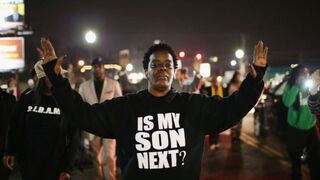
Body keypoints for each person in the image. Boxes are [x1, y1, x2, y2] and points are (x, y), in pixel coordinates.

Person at [40, 38, 267, 179]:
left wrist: (254, 82)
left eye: (167, 65)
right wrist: (57, 80)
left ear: (174, 71)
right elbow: (84, 115)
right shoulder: (127, 107)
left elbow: (232, 108)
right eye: (155, 65)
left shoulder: (193, 105)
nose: (161, 69)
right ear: (146, 71)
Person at [3, 61, 81, 180]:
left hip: (56, 168)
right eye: (53, 74)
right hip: (29, 167)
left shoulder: (67, 99)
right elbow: (14, 126)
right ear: (41, 77)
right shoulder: (27, 98)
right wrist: (10, 151)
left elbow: (74, 137)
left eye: (58, 74)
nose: (57, 78)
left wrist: (67, 168)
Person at [78, 57, 122, 180]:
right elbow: (81, 107)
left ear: (103, 68)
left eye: (99, 66)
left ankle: (110, 178)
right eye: (94, 67)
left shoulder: (114, 84)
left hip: (110, 126)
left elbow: (121, 104)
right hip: (93, 126)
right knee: (95, 157)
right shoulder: (84, 86)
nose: (97, 69)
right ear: (91, 69)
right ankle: (98, 178)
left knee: (109, 156)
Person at [282, 65, 320, 180]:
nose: (306, 75)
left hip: (310, 128)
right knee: (296, 162)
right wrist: (296, 86)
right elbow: (287, 102)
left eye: (307, 73)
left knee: (316, 159)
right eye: (303, 73)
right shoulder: (290, 87)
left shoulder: (312, 87)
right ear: (296, 75)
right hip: (295, 130)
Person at [0, 81, 16, 180]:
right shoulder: (9, 98)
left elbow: (13, 125)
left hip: (4, 149)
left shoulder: (9, 99)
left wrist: (10, 151)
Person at [227, 71, 243, 141]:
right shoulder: (231, 84)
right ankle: (233, 135)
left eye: (239, 76)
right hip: (232, 104)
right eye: (237, 76)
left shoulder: (241, 84)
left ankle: (238, 135)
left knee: (240, 121)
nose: (238, 78)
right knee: (233, 121)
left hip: (240, 105)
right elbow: (228, 94)